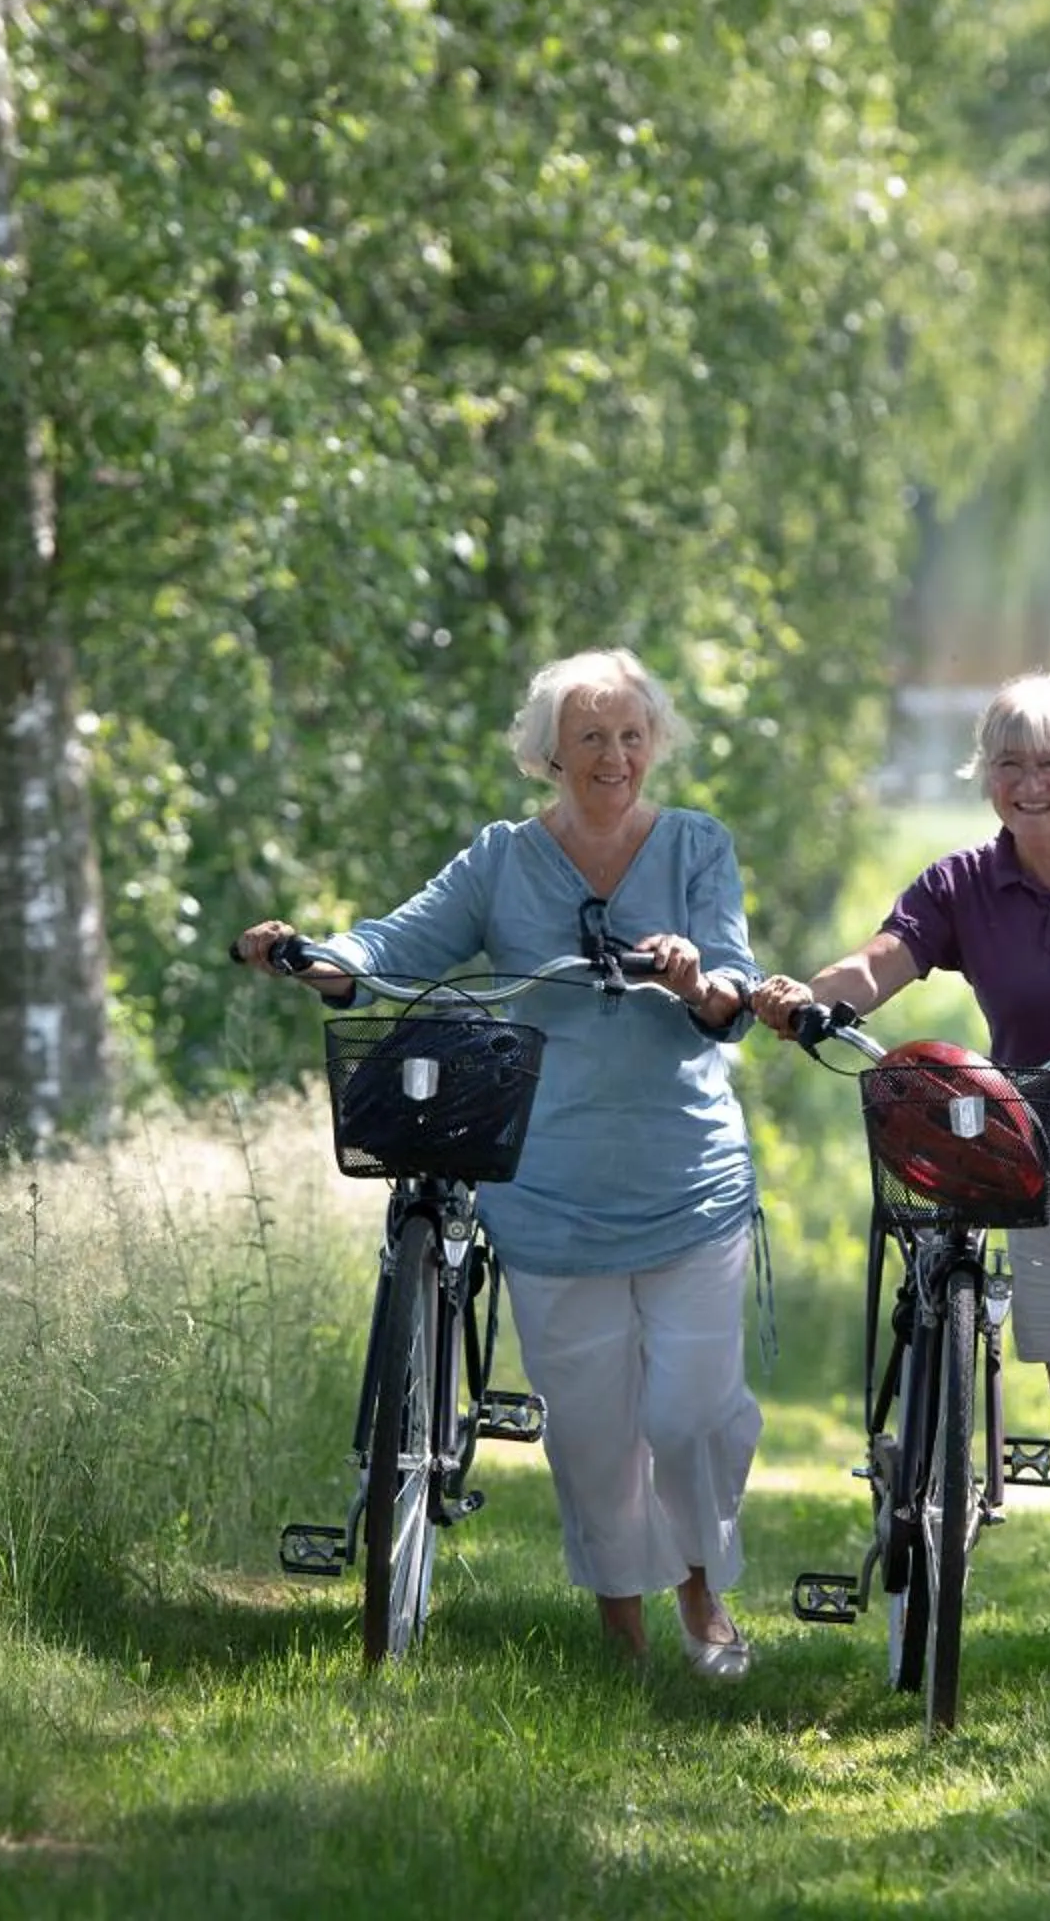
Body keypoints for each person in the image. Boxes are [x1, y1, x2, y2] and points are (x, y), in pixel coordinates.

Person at [236, 647, 764, 1678]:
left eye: (630, 735)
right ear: (548, 755)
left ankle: (703, 1597)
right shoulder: (504, 859)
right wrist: (321, 955)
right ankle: (625, 1633)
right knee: (594, 1433)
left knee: (694, 1412)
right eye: (589, 738)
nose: (614, 756)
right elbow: (401, 940)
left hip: (687, 1178)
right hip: (549, 1185)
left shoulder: (698, 845)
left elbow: (733, 980)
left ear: (654, 743)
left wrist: (705, 979)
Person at [753, 671, 1050, 1700]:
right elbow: (884, 961)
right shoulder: (964, 881)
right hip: (1045, 1159)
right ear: (987, 780)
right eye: (1010, 763)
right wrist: (810, 996)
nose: (1032, 783)